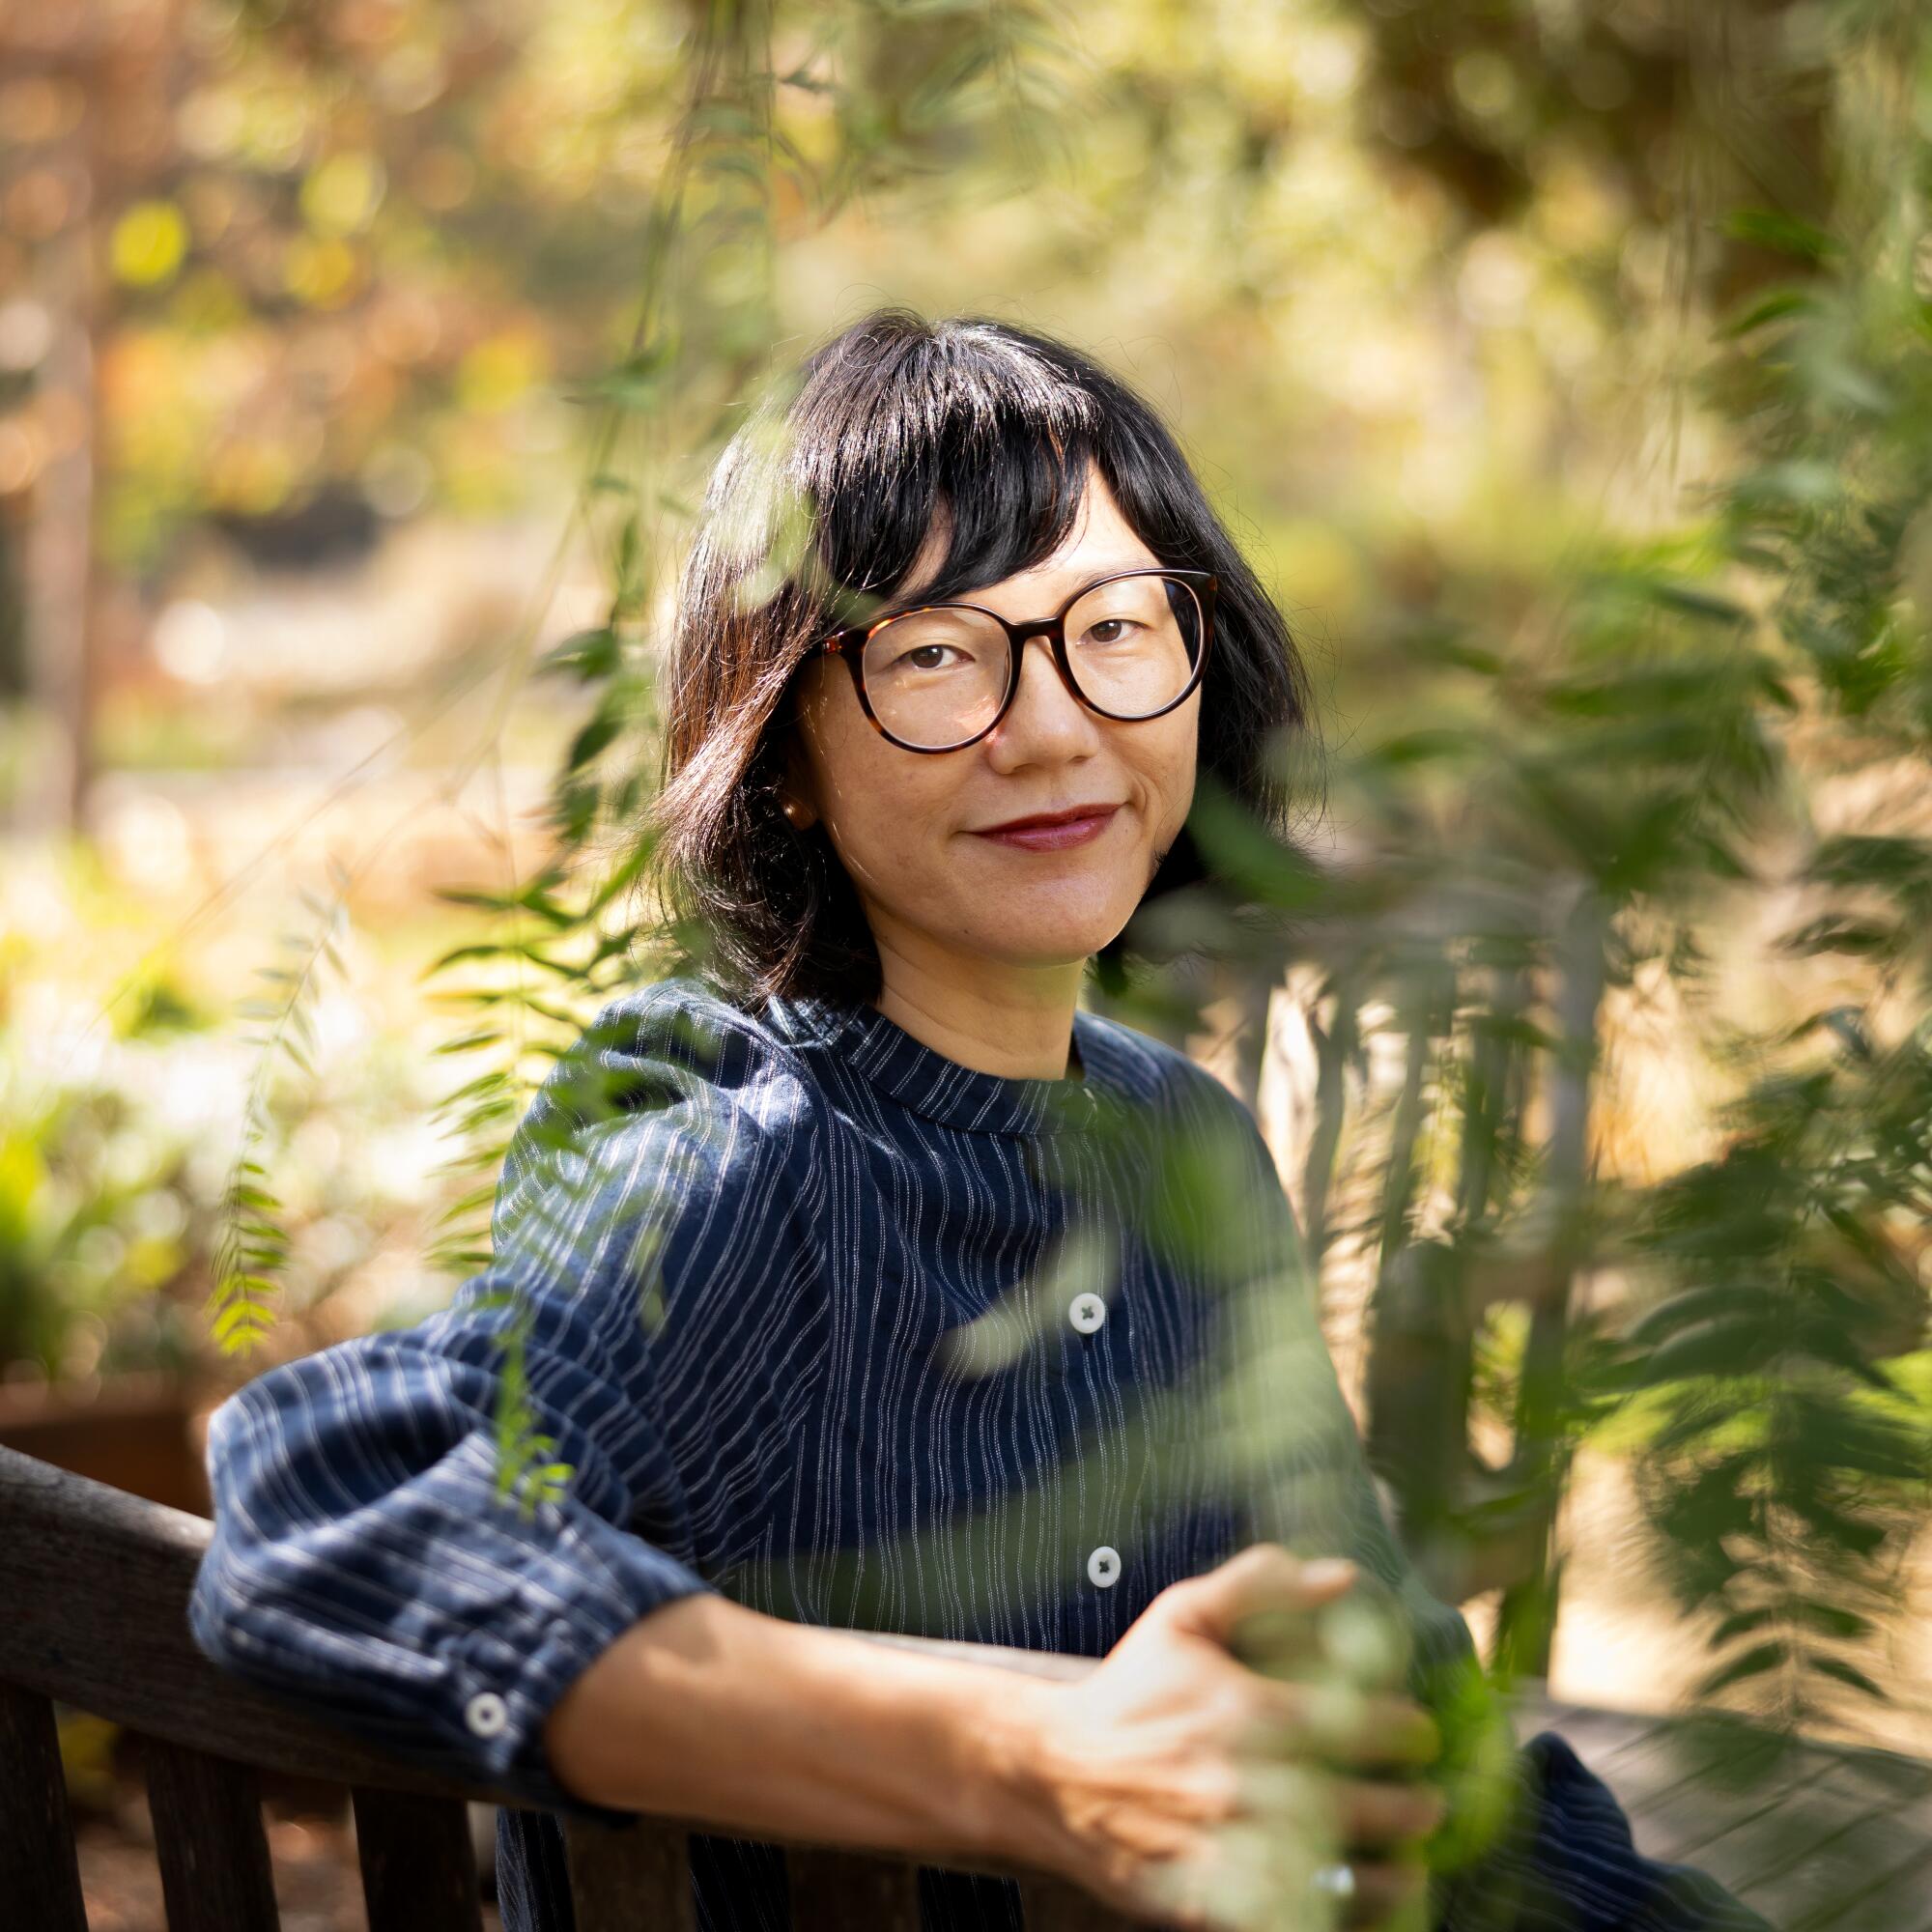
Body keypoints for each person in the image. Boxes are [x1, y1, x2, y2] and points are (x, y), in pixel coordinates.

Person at [188, 308, 1769, 1932]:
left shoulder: (1185, 1150)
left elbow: (1406, 1740)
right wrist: (1036, 1757)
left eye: (1117, 626)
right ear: (782, 753)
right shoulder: (740, 1162)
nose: (1054, 726)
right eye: (937, 653)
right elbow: (339, 1495)